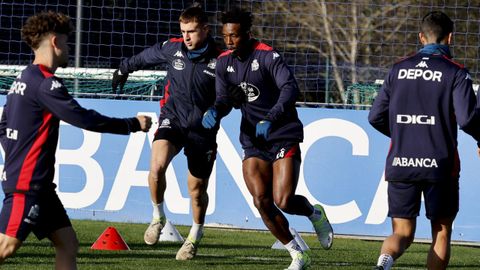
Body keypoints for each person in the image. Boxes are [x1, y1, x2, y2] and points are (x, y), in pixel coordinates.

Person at [0, 11, 152, 269]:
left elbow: (4, 127)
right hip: (29, 185)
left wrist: (18, 154)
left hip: (40, 186)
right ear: (56, 42)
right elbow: (85, 119)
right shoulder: (46, 84)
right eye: (67, 42)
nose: (69, 48)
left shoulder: (23, 79)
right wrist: (132, 124)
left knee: (68, 244)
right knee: (6, 245)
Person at [202, 8, 333, 270]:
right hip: (253, 140)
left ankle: (314, 213)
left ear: (247, 34)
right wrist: (216, 111)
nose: (229, 41)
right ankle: (298, 254)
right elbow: (224, 100)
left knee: (284, 200)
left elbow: (289, 88)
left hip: (282, 134)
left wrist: (272, 116)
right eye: (226, 36)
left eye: (235, 36)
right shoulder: (223, 63)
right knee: (261, 200)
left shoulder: (267, 55)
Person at [368, 11, 480, 270]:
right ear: (450, 38)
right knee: (441, 232)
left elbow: (375, 116)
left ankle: (383, 262)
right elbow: (467, 119)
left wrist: (403, 134)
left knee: (402, 234)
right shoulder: (456, 73)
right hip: (439, 165)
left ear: (421, 37)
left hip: (401, 162)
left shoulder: (397, 69)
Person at [111, 4, 221, 260]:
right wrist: (123, 68)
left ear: (205, 29)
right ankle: (157, 217)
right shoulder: (173, 49)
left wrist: (220, 110)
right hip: (172, 120)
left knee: (196, 190)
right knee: (156, 168)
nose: (186, 37)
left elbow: (233, 92)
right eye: (183, 31)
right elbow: (146, 56)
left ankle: (195, 235)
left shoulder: (221, 58)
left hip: (202, 131)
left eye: (192, 31)